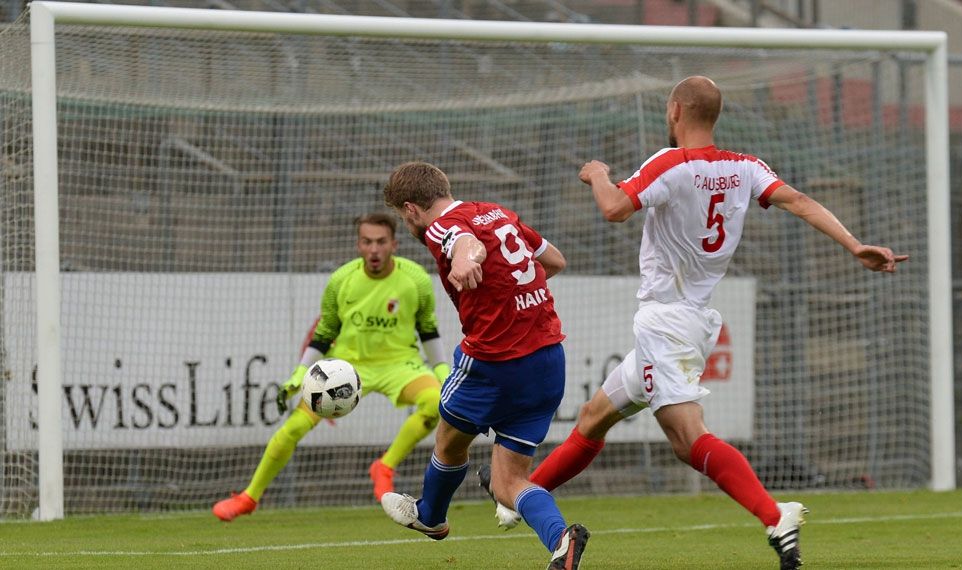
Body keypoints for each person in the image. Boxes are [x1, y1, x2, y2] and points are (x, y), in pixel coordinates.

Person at [479, 76, 909, 570]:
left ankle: (775, 515)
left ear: (675, 111)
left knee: (687, 439)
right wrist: (855, 245)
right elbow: (801, 202)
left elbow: (614, 208)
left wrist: (598, 174)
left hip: (666, 322)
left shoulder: (670, 163)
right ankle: (518, 495)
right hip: (692, 319)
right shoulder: (745, 167)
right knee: (595, 416)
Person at [380, 162, 590, 570]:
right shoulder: (498, 213)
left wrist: (467, 260)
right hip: (548, 359)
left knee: (449, 440)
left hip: (494, 363)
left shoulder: (440, 226)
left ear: (410, 209)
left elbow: (464, 243)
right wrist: (508, 293)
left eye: (403, 218)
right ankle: (561, 541)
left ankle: (432, 515)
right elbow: (555, 261)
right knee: (508, 481)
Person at [212, 212, 451, 521]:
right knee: (294, 427)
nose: (374, 249)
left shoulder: (416, 279)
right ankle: (248, 497)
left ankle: (385, 466)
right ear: (358, 244)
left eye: (381, 242)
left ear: (394, 244)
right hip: (346, 369)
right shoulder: (341, 280)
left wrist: (442, 372)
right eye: (367, 242)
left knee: (435, 402)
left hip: (400, 365)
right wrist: (300, 373)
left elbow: (428, 329)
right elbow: (325, 333)